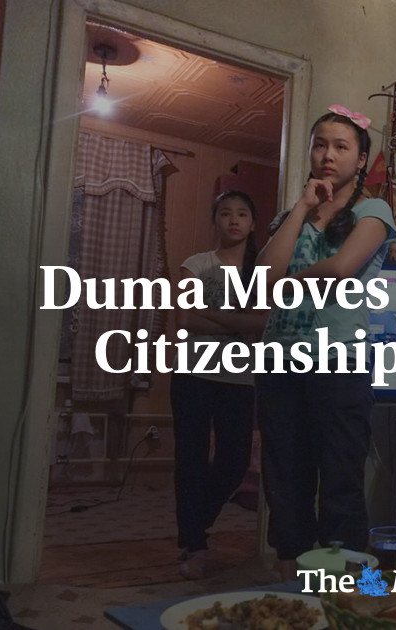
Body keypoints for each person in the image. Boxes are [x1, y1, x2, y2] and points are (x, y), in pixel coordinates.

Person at [256, 105, 396, 578]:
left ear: (361, 159)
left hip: (339, 363)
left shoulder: (373, 211)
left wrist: (284, 285)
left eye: (341, 146)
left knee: (340, 481)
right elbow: (261, 277)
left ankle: (348, 594)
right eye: (320, 145)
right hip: (279, 362)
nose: (328, 155)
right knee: (284, 480)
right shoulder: (290, 216)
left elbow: (339, 269)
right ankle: (292, 592)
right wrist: (302, 208)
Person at [172, 190, 267, 580]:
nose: (234, 220)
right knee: (190, 461)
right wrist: (238, 321)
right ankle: (195, 545)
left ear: (253, 223)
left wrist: (210, 314)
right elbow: (186, 320)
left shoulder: (260, 271)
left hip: (239, 379)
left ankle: (196, 524)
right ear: (215, 221)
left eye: (242, 214)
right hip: (192, 374)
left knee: (235, 462)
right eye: (225, 213)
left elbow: (262, 324)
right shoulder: (197, 264)